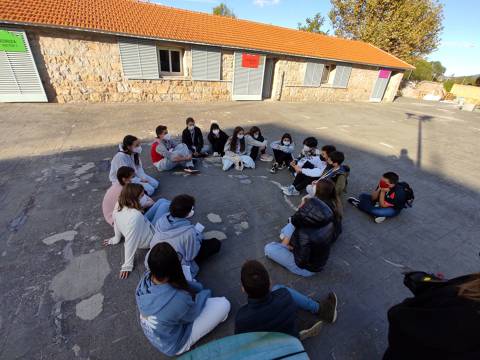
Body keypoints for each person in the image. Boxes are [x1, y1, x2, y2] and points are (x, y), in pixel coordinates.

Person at [136, 242, 230, 357]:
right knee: (224, 304)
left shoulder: (144, 280)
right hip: (174, 345)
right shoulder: (177, 299)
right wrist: (204, 293)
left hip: (159, 334)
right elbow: (193, 313)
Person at [384, 272, 480, 360]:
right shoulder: (473, 287)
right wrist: (437, 287)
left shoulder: (465, 307)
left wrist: (435, 294)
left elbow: (401, 320)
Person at [235, 260, 338, 340]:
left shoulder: (241, 318)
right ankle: (320, 311)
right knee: (279, 289)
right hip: (288, 330)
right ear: (270, 281)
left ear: (243, 289)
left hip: (267, 347)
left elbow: (241, 340)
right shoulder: (284, 294)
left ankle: (296, 331)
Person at [265, 180, 341, 277]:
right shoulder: (327, 216)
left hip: (307, 268)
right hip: (317, 255)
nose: (299, 207)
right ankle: (285, 243)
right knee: (289, 226)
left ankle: (284, 244)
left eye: (301, 207)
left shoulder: (304, 233)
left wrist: (291, 246)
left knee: (269, 248)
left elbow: (301, 262)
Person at [147, 194, 221, 280]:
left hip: (157, 256)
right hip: (175, 262)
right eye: (191, 209)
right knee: (215, 243)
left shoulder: (161, 220)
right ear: (186, 213)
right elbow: (190, 256)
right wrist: (197, 236)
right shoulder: (189, 232)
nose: (193, 210)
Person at [103, 184, 154, 279]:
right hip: (149, 238)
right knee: (163, 204)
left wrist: (116, 238)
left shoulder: (119, 203)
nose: (144, 197)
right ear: (133, 199)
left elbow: (116, 222)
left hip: (144, 225)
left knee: (161, 203)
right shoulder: (135, 216)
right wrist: (127, 265)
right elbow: (130, 241)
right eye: (142, 195)